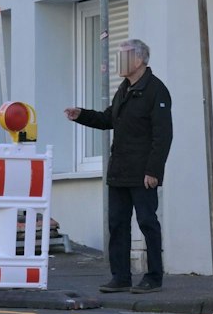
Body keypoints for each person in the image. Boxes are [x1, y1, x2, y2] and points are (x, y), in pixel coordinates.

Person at [65, 38, 173, 293]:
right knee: (117, 224)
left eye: (124, 56)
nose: (118, 61)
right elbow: (108, 119)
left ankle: (154, 277)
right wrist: (82, 115)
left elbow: (163, 135)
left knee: (147, 223)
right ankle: (121, 277)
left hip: (142, 172)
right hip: (120, 170)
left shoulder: (156, 90)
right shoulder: (123, 89)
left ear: (139, 60)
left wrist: (153, 171)